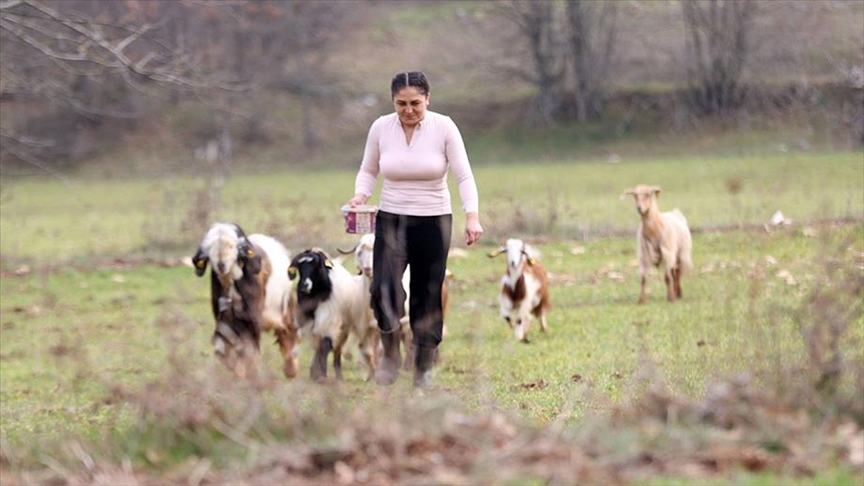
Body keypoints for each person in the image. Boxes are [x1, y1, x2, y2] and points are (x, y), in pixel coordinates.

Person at [346, 71, 483, 388]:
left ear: (428, 99)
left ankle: (423, 367)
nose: (408, 110)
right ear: (393, 101)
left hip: (434, 221)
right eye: (401, 103)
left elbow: (464, 176)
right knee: (382, 288)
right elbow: (369, 169)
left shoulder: (444, 127)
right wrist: (360, 195)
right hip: (392, 219)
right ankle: (390, 356)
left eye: (415, 103)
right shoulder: (381, 127)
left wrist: (472, 216)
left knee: (427, 294)